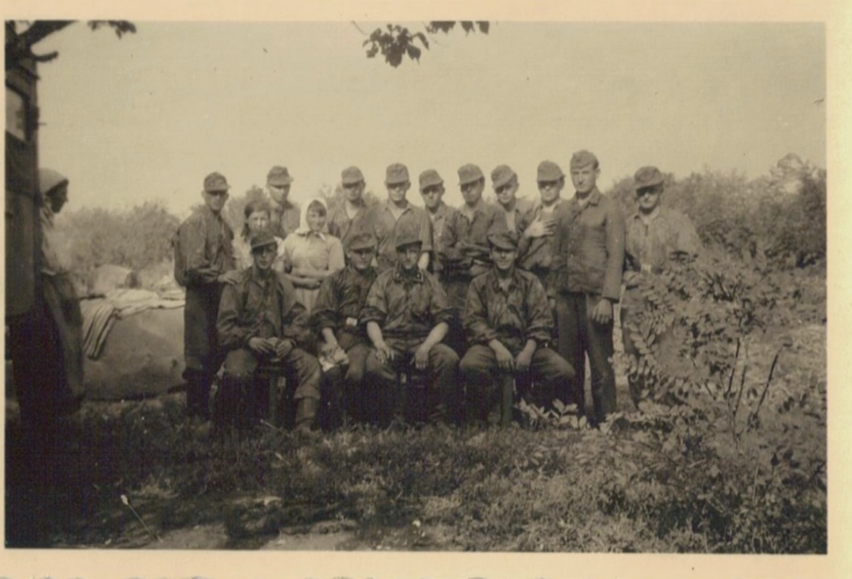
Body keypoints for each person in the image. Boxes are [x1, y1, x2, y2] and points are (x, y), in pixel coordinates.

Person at [460, 231, 574, 426]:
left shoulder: (530, 282)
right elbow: (474, 321)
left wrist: (528, 352)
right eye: (498, 251)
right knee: (469, 364)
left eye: (508, 251)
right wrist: (498, 348)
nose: (503, 256)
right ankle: (491, 406)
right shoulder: (478, 284)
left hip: (525, 344)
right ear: (491, 254)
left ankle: (528, 403)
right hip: (491, 346)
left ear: (516, 254)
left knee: (563, 371)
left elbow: (542, 320)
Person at [216, 231, 321, 433]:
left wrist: (289, 340)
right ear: (252, 254)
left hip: (277, 347)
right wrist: (249, 339)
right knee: (236, 374)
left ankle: (303, 426)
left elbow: (299, 317)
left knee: (311, 366)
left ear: (275, 254)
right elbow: (224, 327)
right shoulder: (239, 283)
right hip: (246, 347)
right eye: (259, 251)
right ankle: (235, 427)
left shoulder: (283, 283)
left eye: (269, 251)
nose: (264, 256)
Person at [549, 150, 625, 425]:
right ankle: (573, 415)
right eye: (575, 173)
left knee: (601, 362)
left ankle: (607, 418)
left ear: (597, 173)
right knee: (568, 362)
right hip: (566, 298)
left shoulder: (609, 208)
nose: (580, 179)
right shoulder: (563, 210)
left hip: (595, 299)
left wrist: (608, 298)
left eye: (585, 173)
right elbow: (556, 255)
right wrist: (553, 295)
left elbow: (616, 257)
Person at [8, 168, 85, 441]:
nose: (67, 199)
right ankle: (40, 425)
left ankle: (50, 419)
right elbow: (45, 264)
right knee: (44, 354)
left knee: (58, 352)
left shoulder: (45, 222)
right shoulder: (32, 223)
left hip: (51, 294)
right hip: (40, 298)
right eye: (62, 194)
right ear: (48, 196)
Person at [360, 224, 459, 426]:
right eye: (404, 252)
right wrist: (380, 344)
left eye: (413, 252)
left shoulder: (430, 282)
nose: (408, 257)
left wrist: (426, 347)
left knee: (448, 358)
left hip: (422, 340)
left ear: (419, 254)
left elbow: (443, 321)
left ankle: (437, 419)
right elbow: (372, 318)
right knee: (374, 365)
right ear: (397, 253)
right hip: (391, 340)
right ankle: (393, 418)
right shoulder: (383, 281)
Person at [621, 166, 701, 406]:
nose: (646, 196)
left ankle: (672, 414)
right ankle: (644, 413)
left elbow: (693, 260)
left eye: (652, 190)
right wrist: (628, 276)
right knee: (634, 354)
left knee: (669, 357)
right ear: (635, 193)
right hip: (636, 299)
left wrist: (671, 281)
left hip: (668, 298)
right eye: (641, 191)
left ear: (660, 191)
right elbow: (616, 263)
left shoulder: (677, 222)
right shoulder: (627, 225)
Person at [174, 171, 239, 420]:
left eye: (222, 193)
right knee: (198, 354)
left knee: (217, 349)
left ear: (227, 195)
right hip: (200, 295)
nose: (218, 197)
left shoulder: (224, 225)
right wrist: (221, 276)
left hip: (218, 295)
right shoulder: (196, 222)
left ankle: (209, 411)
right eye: (213, 193)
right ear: (203, 194)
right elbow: (193, 266)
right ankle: (196, 414)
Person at [311, 231, 379, 427]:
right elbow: (322, 314)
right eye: (358, 252)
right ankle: (330, 422)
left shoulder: (379, 279)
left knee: (355, 373)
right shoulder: (335, 279)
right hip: (333, 336)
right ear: (348, 253)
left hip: (361, 339)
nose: (363, 256)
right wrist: (333, 345)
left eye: (368, 252)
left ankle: (353, 421)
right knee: (331, 372)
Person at [437, 163, 509, 311]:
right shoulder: (453, 215)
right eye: (464, 186)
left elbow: (497, 251)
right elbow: (443, 250)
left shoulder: (495, 213)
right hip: (457, 288)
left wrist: (463, 249)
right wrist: (472, 259)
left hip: (487, 286)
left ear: (482, 184)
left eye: (472, 184)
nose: (468, 189)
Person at [361, 163, 432, 273]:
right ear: (386, 186)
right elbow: (369, 253)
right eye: (393, 185)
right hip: (381, 272)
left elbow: (424, 253)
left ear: (408, 185)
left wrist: (416, 276)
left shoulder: (420, 215)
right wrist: (378, 278)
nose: (397, 189)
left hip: (411, 273)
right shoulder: (373, 214)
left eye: (401, 184)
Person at [281, 197, 345, 314]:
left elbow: (337, 274)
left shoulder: (332, 242)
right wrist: (302, 282)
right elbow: (280, 274)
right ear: (305, 215)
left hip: (321, 295)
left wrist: (302, 272)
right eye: (313, 216)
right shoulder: (291, 239)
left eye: (321, 216)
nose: (317, 221)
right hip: (294, 294)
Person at [517, 161, 566, 289]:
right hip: (533, 278)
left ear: (561, 184)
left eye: (552, 183)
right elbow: (516, 253)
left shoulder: (569, 211)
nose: (547, 188)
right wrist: (528, 234)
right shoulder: (530, 215)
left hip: (560, 279)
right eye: (543, 184)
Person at [233, 198, 287, 271]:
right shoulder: (239, 244)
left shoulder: (278, 243)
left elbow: (279, 273)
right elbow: (239, 273)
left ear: (269, 221)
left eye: (263, 219)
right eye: (255, 219)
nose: (259, 224)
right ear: (246, 220)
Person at [327, 166, 369, 241]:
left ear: (363, 185)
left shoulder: (372, 215)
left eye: (356, 185)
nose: (352, 189)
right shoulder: (331, 216)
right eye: (348, 186)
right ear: (343, 188)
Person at [491, 164, 532, 235]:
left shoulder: (527, 208)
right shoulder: (491, 212)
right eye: (500, 188)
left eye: (508, 187)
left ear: (516, 187)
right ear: (494, 190)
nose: (504, 192)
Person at [265, 165, 300, 239]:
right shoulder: (260, 211)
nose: (283, 191)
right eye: (278, 187)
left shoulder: (296, 212)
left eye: (286, 186)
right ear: (268, 186)